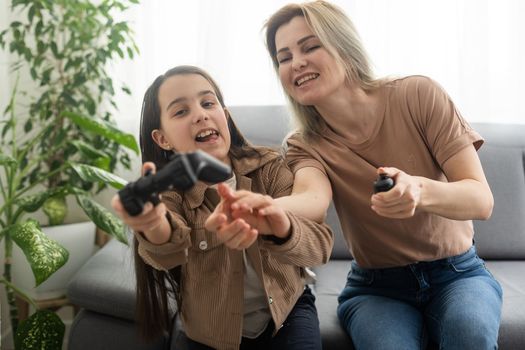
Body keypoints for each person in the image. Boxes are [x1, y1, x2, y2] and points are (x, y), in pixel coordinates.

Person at [248, 1, 503, 349]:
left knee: (469, 335)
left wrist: (418, 190)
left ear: (344, 46)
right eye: (284, 57)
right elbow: (312, 199)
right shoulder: (303, 144)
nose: (297, 62)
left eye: (310, 46)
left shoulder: (418, 94)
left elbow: (481, 199)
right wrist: (264, 207)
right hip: (377, 288)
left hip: (457, 273)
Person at [110, 65, 333, 350]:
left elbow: (321, 247)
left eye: (207, 103)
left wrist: (282, 226)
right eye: (181, 111)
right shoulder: (168, 193)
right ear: (162, 139)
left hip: (288, 314)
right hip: (210, 331)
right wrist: (153, 223)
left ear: (225, 116)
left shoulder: (271, 167)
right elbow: (166, 251)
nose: (201, 114)